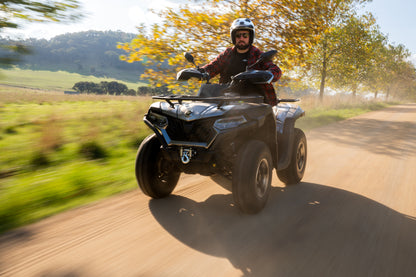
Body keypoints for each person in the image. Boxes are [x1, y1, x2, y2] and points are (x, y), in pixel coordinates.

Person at [201, 18, 282, 106]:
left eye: (245, 35)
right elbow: (211, 68)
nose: (241, 38)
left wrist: (264, 74)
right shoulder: (227, 54)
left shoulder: (258, 55)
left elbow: (276, 71)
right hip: (226, 101)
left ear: (250, 37)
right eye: (238, 35)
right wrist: (197, 72)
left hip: (254, 103)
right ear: (233, 37)